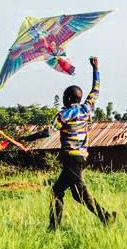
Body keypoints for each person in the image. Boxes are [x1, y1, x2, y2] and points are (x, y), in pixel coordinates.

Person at [48, 57, 116, 229]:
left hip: (71, 157)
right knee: (58, 192)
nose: (63, 99)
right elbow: (96, 90)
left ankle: (105, 215)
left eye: (64, 97)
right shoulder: (86, 109)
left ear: (69, 98)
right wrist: (96, 69)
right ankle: (53, 226)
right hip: (80, 157)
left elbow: (48, 132)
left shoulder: (64, 114)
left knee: (78, 192)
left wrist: (27, 139)